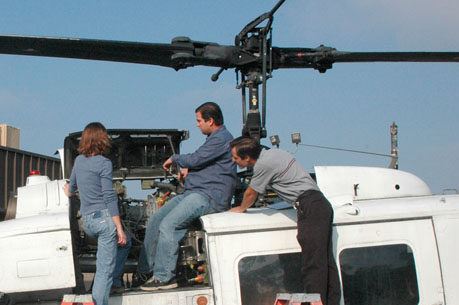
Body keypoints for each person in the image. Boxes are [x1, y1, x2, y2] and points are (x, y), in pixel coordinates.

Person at [229, 136, 341, 305]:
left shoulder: (262, 165)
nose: (233, 161)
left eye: (236, 158)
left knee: (312, 263)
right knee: (325, 261)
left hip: (309, 206)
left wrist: (240, 208)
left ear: (247, 158)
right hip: (320, 204)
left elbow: (251, 193)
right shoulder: (274, 153)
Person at [137, 102, 237, 291]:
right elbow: (202, 162)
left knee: (169, 225)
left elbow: (197, 158)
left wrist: (175, 159)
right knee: (156, 220)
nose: (197, 124)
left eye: (199, 120)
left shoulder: (222, 138)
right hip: (193, 192)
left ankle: (164, 277)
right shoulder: (213, 139)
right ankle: (145, 271)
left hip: (208, 196)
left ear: (211, 120)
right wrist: (188, 170)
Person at [64, 122, 127, 305]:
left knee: (127, 243)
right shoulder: (104, 163)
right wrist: (119, 228)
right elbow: (109, 197)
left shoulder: (79, 161)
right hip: (104, 220)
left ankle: (114, 283)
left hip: (88, 222)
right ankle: (101, 299)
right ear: (101, 139)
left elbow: (71, 189)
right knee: (104, 269)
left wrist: (67, 190)